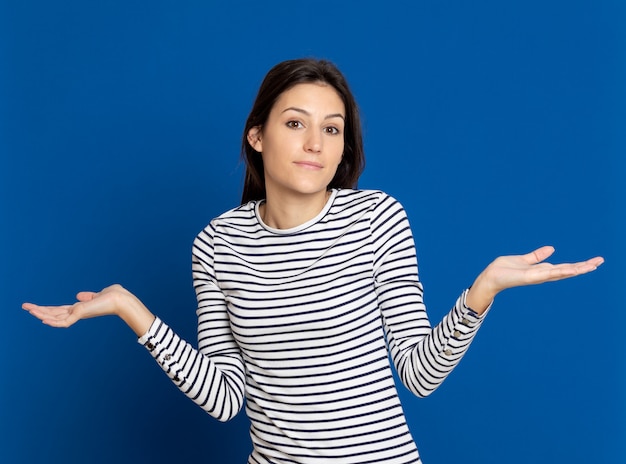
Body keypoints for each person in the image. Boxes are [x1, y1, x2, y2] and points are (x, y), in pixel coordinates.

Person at [23, 58, 604, 464]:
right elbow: (226, 398)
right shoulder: (217, 244)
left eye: (332, 129)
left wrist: (482, 292)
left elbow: (419, 375)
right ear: (257, 135)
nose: (315, 144)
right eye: (295, 123)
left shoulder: (377, 218)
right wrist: (132, 310)